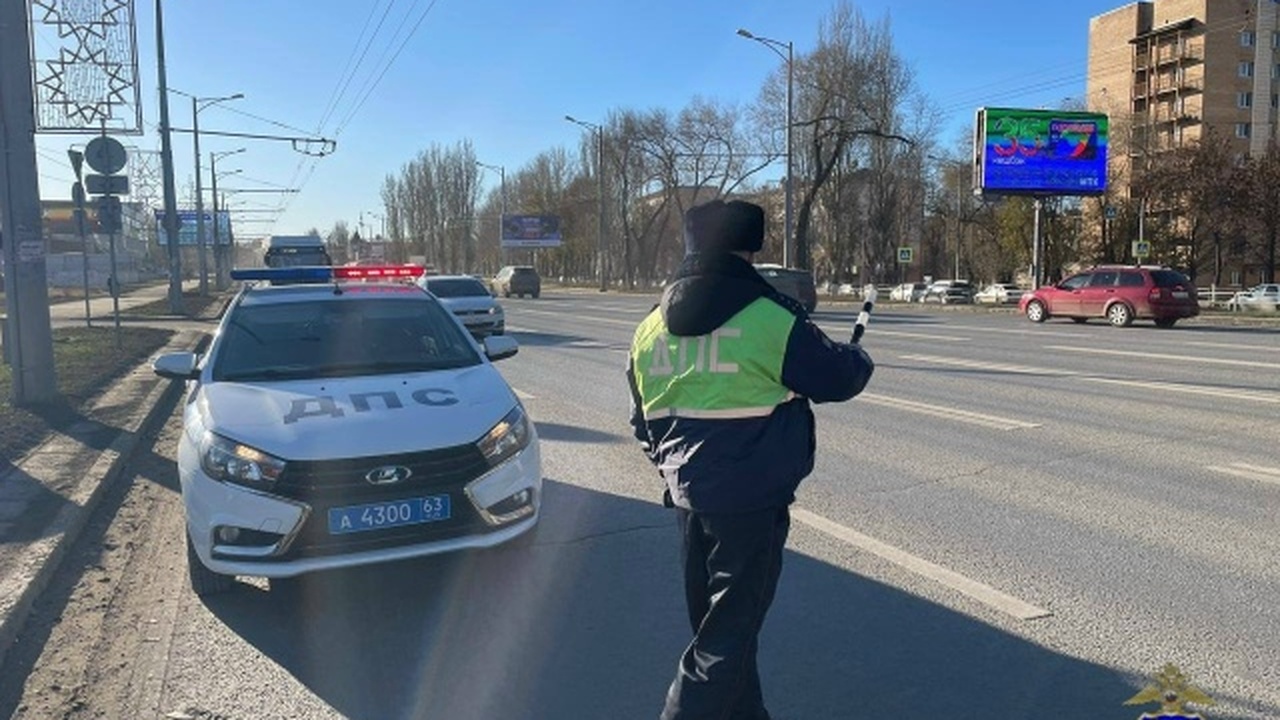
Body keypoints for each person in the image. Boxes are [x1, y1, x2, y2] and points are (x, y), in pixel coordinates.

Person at [627, 199, 875, 720]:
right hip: (751, 502)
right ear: (748, 249)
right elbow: (835, 380)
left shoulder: (649, 327)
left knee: (719, 633)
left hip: (687, 500)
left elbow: (641, 421)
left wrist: (678, 468)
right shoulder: (770, 318)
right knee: (726, 638)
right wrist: (859, 358)